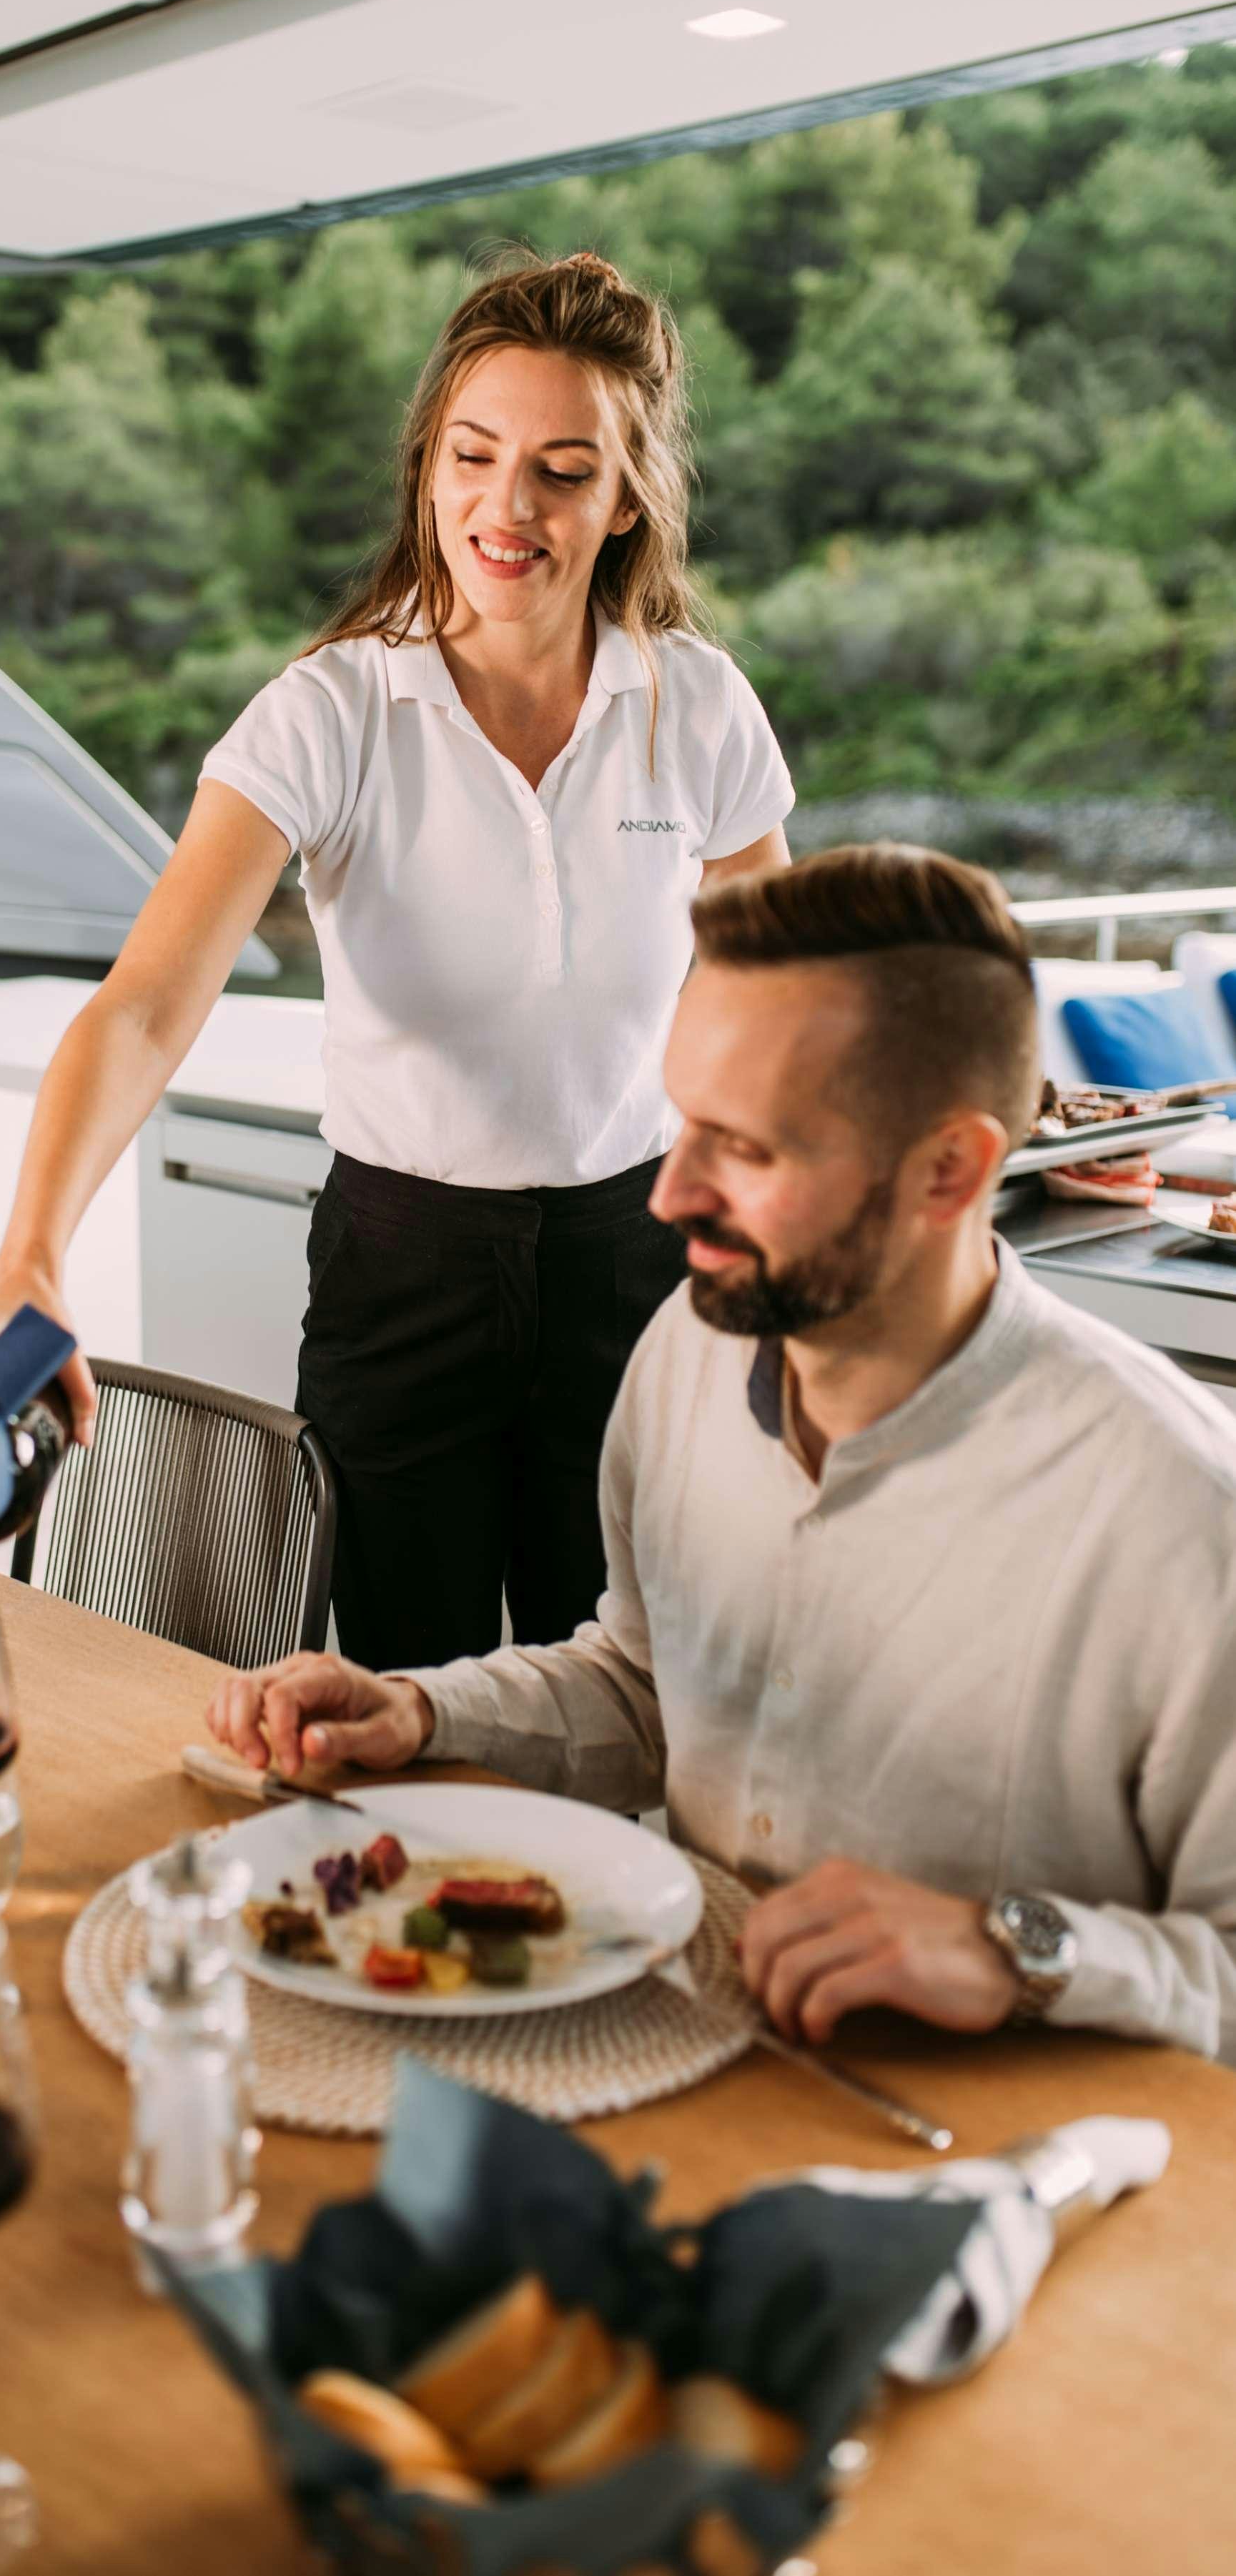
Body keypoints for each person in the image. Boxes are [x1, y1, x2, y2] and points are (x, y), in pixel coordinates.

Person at [207, 844, 1236, 2065]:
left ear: (951, 1168)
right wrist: (426, 1711)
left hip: (1026, 2180)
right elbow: (651, 1686)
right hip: (691, 2073)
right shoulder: (685, 1351)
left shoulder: (1183, 1515)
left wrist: (1015, 1947)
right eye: (679, 1120)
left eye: (745, 1150)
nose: (668, 1193)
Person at [0, 249, 793, 1670]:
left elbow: (774, 987)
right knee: (410, 1705)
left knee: (636, 1691)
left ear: (624, 498)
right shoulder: (326, 713)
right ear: (426, 465)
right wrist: (30, 1252)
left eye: (561, 471)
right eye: (472, 455)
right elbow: (144, 1008)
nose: (504, 509)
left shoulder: (690, 703)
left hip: (636, 1263)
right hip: (406, 1269)